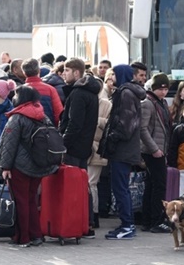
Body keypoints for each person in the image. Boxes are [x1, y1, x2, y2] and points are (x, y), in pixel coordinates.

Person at [0, 85, 57, 248]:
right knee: (31, 200)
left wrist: (4, 167)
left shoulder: (16, 118)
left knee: (21, 201)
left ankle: (23, 237)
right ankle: (36, 235)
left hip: (19, 167)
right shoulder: (42, 116)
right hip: (38, 166)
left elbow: (8, 145)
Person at [101, 64, 146, 240]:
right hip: (124, 149)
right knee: (120, 187)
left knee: (120, 188)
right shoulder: (126, 92)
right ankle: (126, 224)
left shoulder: (126, 93)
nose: (111, 78)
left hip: (123, 149)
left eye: (113, 74)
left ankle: (127, 225)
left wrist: (112, 136)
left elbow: (126, 124)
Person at [59, 57, 100, 238]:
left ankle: (78, 223)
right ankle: (87, 222)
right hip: (84, 146)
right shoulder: (90, 92)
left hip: (74, 147)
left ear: (77, 72)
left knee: (74, 187)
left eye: (67, 71)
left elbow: (74, 124)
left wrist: (63, 143)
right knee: (83, 186)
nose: (63, 74)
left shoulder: (78, 94)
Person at [139, 73, 172, 234]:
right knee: (158, 185)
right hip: (152, 151)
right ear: (154, 88)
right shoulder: (148, 103)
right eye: (161, 88)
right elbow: (142, 128)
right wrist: (154, 149)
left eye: (166, 89)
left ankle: (148, 220)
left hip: (159, 149)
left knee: (152, 185)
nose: (164, 92)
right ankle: (155, 220)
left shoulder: (161, 102)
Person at [87, 77, 112, 229]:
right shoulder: (84, 101)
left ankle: (94, 214)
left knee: (91, 183)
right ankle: (89, 213)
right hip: (84, 147)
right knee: (87, 183)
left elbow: (110, 125)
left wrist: (97, 120)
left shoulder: (107, 104)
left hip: (98, 148)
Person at [22, 58, 63, 126]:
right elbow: (59, 113)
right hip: (47, 129)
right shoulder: (50, 89)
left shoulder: (20, 90)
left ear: (24, 72)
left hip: (26, 130)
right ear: (39, 70)